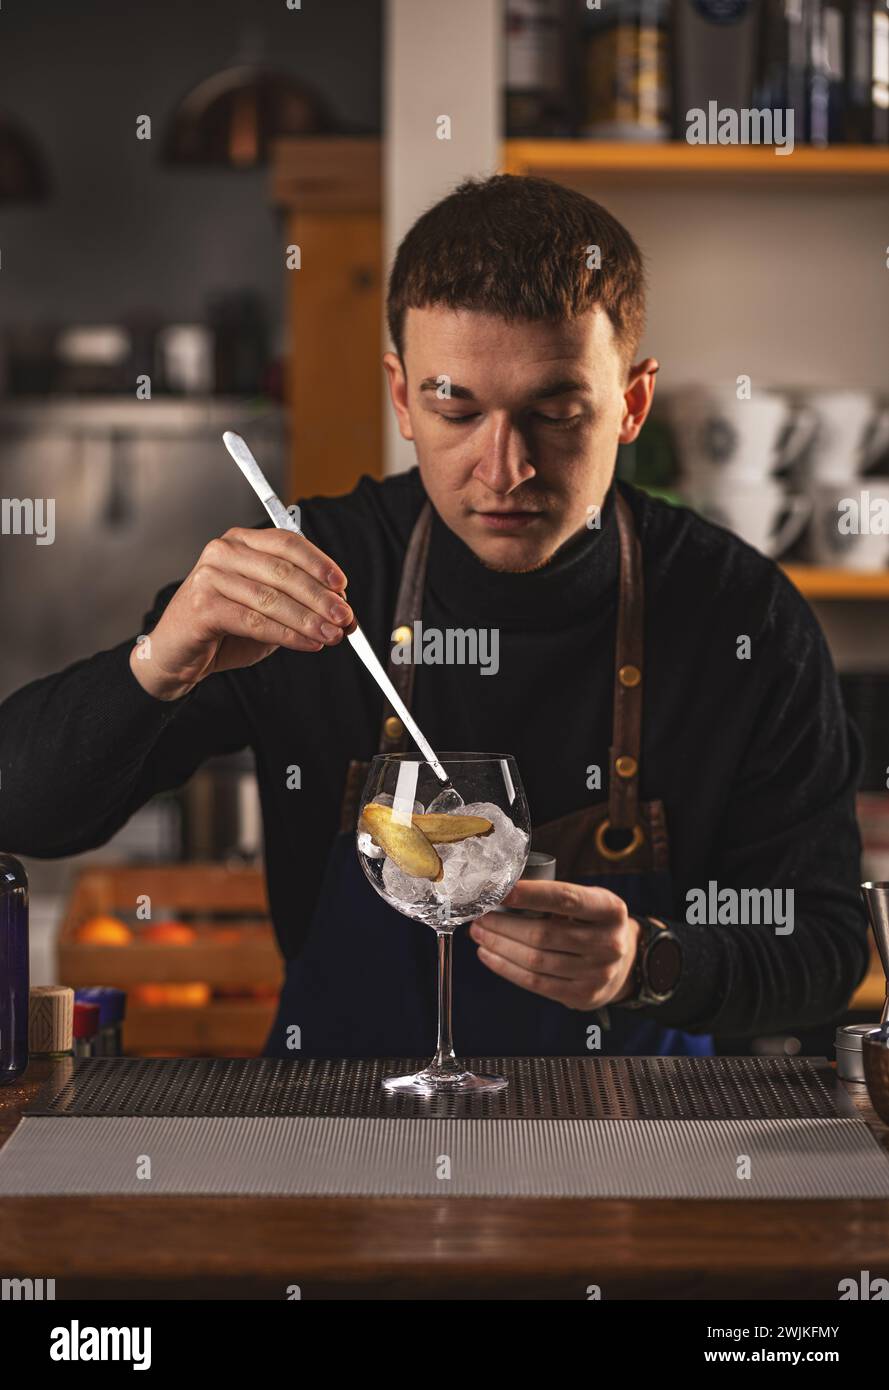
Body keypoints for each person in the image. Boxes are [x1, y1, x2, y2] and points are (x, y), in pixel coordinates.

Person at [0, 175, 868, 1060]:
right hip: (339, 1138)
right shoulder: (307, 572)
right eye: (457, 407)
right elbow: (22, 814)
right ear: (402, 398)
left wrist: (650, 964)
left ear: (632, 404)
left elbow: (828, 948)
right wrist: (162, 661)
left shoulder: (740, 613)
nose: (505, 468)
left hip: (629, 1148)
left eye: (557, 413)